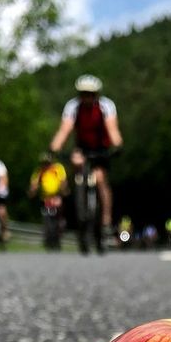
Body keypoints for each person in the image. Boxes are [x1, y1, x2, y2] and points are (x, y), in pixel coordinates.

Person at [49, 75, 123, 235]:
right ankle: (81, 197)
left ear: (96, 94)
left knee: (101, 179)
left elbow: (112, 128)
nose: (87, 97)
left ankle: (105, 221)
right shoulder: (73, 106)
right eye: (83, 93)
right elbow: (64, 130)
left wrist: (117, 145)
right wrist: (53, 148)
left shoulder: (106, 106)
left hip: (101, 147)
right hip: (82, 147)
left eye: (90, 94)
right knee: (77, 163)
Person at [27, 152, 68, 251]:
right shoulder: (39, 172)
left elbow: (63, 181)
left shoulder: (57, 168)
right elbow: (34, 183)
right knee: (46, 218)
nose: (46, 165)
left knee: (59, 216)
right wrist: (32, 191)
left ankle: (59, 233)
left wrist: (63, 191)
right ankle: (48, 239)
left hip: (56, 196)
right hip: (45, 198)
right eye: (44, 163)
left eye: (48, 163)